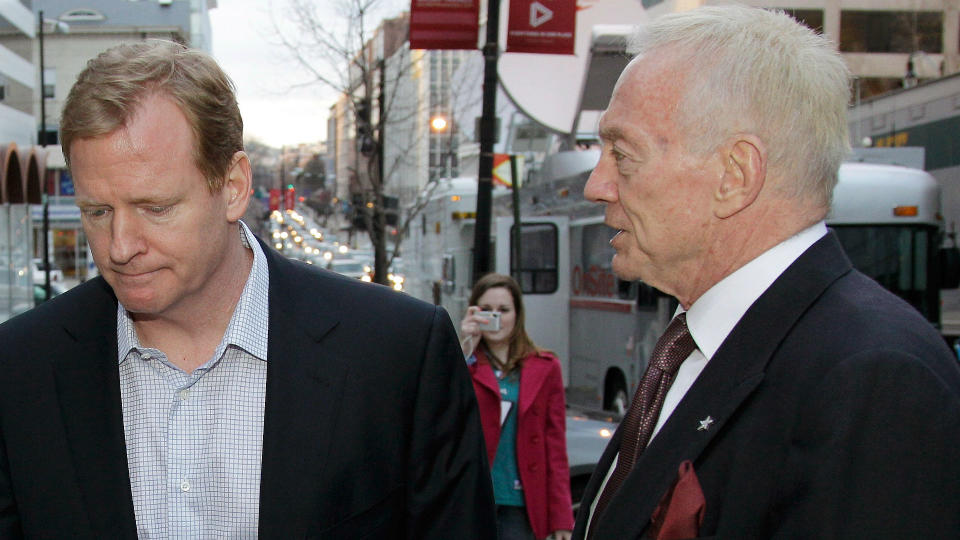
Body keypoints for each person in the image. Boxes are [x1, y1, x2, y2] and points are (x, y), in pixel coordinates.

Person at [0, 40, 496, 539]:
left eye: (156, 207)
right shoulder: (19, 368)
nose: (120, 246)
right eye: (97, 212)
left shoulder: (399, 353)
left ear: (234, 186)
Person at [574, 6, 960, 539]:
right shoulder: (696, 342)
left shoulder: (873, 378)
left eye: (623, 153)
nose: (597, 185)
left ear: (735, 175)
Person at [460, 273, 574, 540]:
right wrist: (466, 345)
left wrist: (562, 518)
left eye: (503, 310)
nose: (495, 318)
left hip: (518, 504)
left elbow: (555, 446)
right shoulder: (466, 363)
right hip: (471, 500)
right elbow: (444, 411)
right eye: (486, 310)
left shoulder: (545, 367)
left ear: (517, 314)